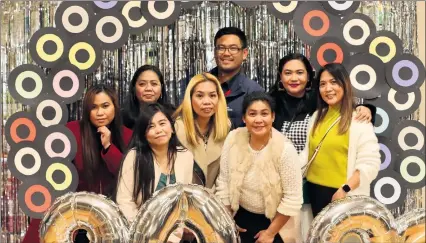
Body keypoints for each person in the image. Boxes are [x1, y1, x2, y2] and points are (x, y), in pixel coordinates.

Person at [22, 84, 132, 243]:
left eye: (105, 106)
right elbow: (54, 175)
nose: (100, 113)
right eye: (94, 107)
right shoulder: (71, 131)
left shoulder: (126, 135)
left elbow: (127, 177)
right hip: (73, 214)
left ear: (115, 107)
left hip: (111, 217)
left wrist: (109, 146)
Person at [215, 91, 303, 243]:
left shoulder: (285, 149)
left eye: (264, 114)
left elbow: (292, 198)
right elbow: (223, 181)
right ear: (244, 118)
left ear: (273, 117)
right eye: (252, 114)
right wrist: (228, 220)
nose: (258, 120)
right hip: (239, 215)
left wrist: (270, 233)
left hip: (275, 222)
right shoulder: (233, 139)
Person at [301, 63, 381, 217]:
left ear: (345, 84)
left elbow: (370, 164)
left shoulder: (359, 120)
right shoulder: (317, 116)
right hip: (314, 192)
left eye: (334, 82)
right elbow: (307, 154)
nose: (328, 89)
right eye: (322, 84)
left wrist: (345, 189)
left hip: (343, 195)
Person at [115, 103, 197, 243]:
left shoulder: (185, 156)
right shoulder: (134, 157)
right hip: (139, 233)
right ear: (144, 134)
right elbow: (124, 201)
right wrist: (148, 233)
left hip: (175, 234)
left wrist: (174, 234)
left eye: (162, 123)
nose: (158, 130)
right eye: (151, 127)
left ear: (171, 127)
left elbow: (184, 201)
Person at [173, 73, 230, 189]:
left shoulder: (227, 127)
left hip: (214, 201)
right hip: (183, 200)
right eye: (200, 96)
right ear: (190, 98)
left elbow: (225, 176)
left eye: (212, 96)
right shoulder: (176, 129)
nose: (207, 101)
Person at [210, 27, 264, 128]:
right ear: (214, 52)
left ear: (244, 54)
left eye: (233, 48)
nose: (226, 53)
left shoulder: (254, 91)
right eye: (221, 48)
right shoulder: (200, 84)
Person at [122, 65, 174, 129]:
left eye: (154, 84)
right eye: (142, 84)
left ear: (161, 88)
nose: (148, 88)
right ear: (134, 88)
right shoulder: (121, 117)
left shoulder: (173, 115)